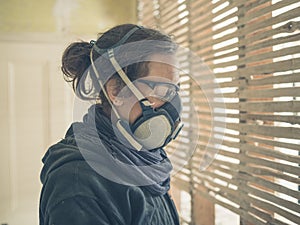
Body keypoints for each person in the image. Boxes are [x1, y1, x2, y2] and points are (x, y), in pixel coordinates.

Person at [39, 23, 183, 225]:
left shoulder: (144, 156)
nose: (174, 107)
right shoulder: (79, 183)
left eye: (174, 91)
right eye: (161, 90)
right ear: (116, 90)